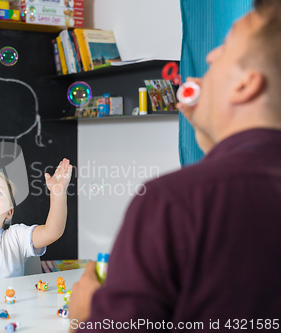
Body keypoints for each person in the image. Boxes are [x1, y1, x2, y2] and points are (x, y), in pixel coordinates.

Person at [69, 0, 281, 331]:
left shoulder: (171, 201)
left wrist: (87, 316)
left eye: (224, 49)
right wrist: (211, 134)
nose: (209, 56)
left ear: (245, 85)